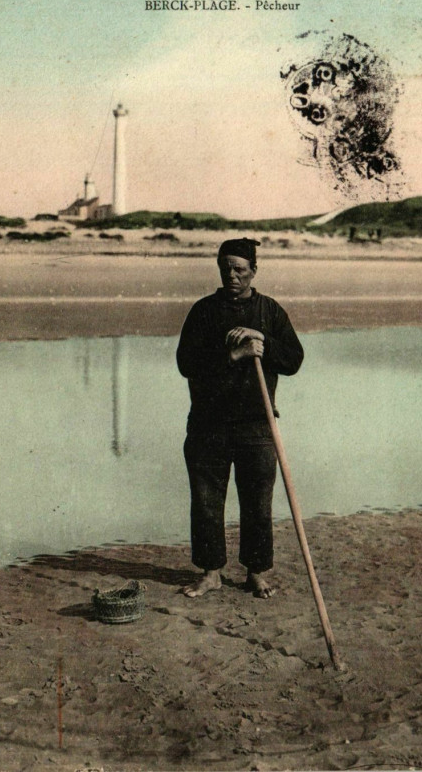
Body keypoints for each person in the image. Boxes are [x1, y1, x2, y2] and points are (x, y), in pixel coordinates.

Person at [176, 238, 304, 598]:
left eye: (239, 269)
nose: (231, 275)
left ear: (253, 271)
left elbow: (293, 359)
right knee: (205, 501)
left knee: (258, 503)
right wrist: (234, 354)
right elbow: (186, 363)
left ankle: (256, 572)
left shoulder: (270, 311)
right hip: (208, 424)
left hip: (257, 425)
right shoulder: (203, 311)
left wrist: (261, 338)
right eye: (225, 267)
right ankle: (210, 572)